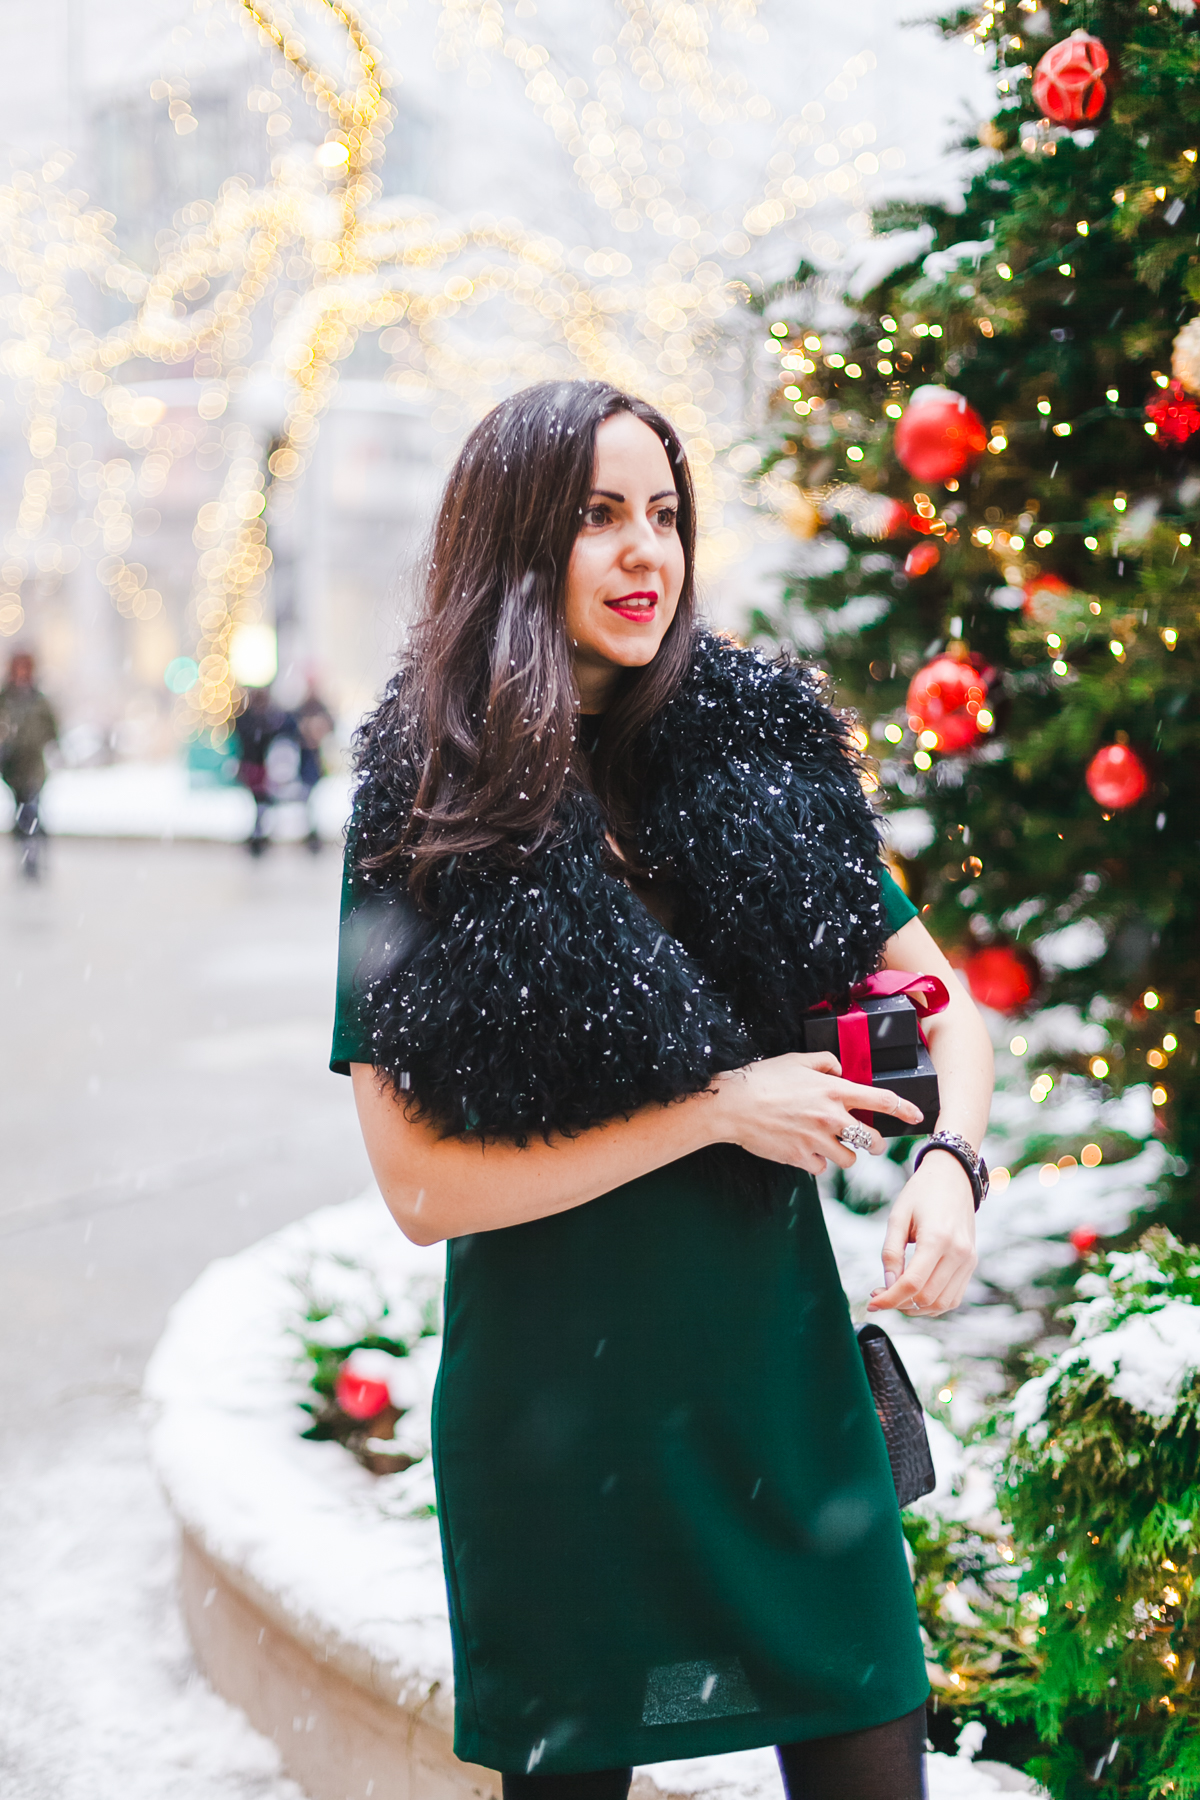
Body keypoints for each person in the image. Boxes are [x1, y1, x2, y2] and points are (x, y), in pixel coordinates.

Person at [331, 382, 994, 1800]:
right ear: (515, 540)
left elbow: (954, 1011)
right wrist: (708, 1109)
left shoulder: (754, 763)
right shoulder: (427, 805)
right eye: (598, 517)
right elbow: (421, 1188)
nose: (648, 553)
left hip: (788, 1408)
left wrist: (955, 1167)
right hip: (564, 1442)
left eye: (667, 516)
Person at [0, 650, 58, 879]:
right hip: (11, 767)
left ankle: (32, 852)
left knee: (31, 808)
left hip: (33, 766)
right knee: (21, 809)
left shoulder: (38, 699)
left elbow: (51, 729)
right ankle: (28, 846)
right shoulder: (5, 698)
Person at [233, 683, 287, 856]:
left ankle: (258, 834)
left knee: (260, 802)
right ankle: (258, 834)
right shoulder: (255, 720)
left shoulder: (263, 719)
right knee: (258, 802)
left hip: (258, 766)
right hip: (255, 766)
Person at [288, 675, 335, 852]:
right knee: (308, 799)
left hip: (316, 761)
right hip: (307, 760)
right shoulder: (302, 708)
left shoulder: (318, 707)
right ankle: (312, 833)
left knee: (313, 798)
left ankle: (313, 833)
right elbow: (291, 728)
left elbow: (330, 726)